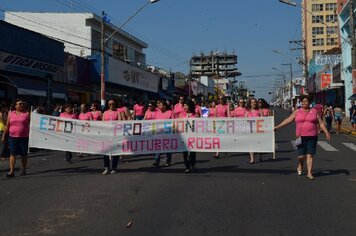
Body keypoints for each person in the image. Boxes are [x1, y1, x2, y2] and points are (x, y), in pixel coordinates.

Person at [274, 95, 331, 180]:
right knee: (301, 156)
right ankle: (300, 164)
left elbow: (321, 123)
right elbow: (288, 120)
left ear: (309, 103)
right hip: (300, 136)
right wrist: (277, 127)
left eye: (306, 101)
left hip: (312, 136)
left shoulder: (314, 111)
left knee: (310, 155)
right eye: (303, 101)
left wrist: (326, 132)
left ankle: (309, 173)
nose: (304, 103)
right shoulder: (297, 112)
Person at [2, 99, 30, 177]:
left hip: (24, 137)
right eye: (19, 104)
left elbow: (32, 125)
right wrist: (4, 135)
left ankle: (24, 169)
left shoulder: (27, 114)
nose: (21, 105)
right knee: (12, 153)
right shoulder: (10, 113)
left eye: (22, 104)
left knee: (23, 154)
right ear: (15, 106)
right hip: (12, 137)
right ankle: (11, 171)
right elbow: (7, 125)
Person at [102, 99, 123, 174]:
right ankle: (106, 168)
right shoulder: (105, 112)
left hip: (115, 134)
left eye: (113, 104)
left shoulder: (118, 112)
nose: (111, 105)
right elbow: (102, 123)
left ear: (115, 104)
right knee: (106, 151)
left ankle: (114, 167)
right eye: (110, 104)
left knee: (115, 151)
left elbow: (120, 123)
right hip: (107, 134)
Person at [153, 100, 173, 167]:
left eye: (160, 105)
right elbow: (154, 122)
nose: (158, 106)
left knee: (168, 148)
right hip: (159, 133)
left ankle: (168, 161)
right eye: (158, 105)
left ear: (164, 106)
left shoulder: (170, 112)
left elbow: (174, 122)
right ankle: (156, 161)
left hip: (167, 134)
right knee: (158, 147)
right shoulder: (157, 113)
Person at [179, 100, 197, 173]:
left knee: (192, 152)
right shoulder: (181, 114)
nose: (185, 107)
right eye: (184, 106)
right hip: (184, 136)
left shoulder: (195, 115)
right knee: (185, 152)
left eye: (186, 106)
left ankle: (192, 163)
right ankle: (187, 166)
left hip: (193, 136)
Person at [246, 98, 262, 163]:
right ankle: (252, 159)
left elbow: (263, 120)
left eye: (255, 102)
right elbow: (244, 120)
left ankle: (260, 154)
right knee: (250, 144)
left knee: (258, 144)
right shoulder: (247, 111)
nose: (254, 103)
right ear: (250, 103)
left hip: (258, 130)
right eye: (252, 102)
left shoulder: (259, 110)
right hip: (250, 131)